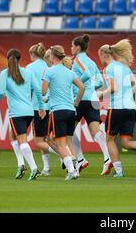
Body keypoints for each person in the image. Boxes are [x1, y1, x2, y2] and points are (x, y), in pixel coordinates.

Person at [98, 39, 136, 178]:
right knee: (126, 142)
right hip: (131, 108)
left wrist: (102, 93)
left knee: (109, 140)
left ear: (104, 55)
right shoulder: (125, 67)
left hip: (117, 108)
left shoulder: (109, 69)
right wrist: (127, 95)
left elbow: (113, 88)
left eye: (99, 56)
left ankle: (119, 172)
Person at [0, 49, 45, 180]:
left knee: (22, 141)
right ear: (20, 59)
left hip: (16, 113)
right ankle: (21, 165)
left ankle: (34, 168)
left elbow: (0, 92)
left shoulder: (4, 73)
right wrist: (41, 107)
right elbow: (37, 90)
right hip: (29, 112)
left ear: (8, 59)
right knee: (12, 136)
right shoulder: (28, 73)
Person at [70, 34, 112, 176]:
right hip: (93, 99)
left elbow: (86, 74)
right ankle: (107, 158)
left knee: (68, 132)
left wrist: (76, 83)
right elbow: (100, 82)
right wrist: (89, 89)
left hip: (80, 99)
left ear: (78, 47)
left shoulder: (77, 60)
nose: (71, 49)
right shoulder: (92, 62)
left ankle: (79, 161)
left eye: (72, 46)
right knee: (96, 131)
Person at [42, 45, 85, 181]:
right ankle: (73, 165)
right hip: (71, 111)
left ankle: (72, 169)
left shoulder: (49, 71)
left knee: (58, 143)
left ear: (52, 57)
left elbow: (43, 91)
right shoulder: (69, 72)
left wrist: (44, 95)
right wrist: (76, 102)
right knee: (65, 141)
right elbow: (82, 87)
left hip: (58, 111)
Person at [26, 42, 60, 176]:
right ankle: (46, 168)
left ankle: (63, 154)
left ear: (32, 54)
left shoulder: (29, 67)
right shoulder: (49, 65)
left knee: (38, 141)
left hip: (37, 107)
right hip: (51, 106)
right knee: (46, 138)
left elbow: (27, 87)